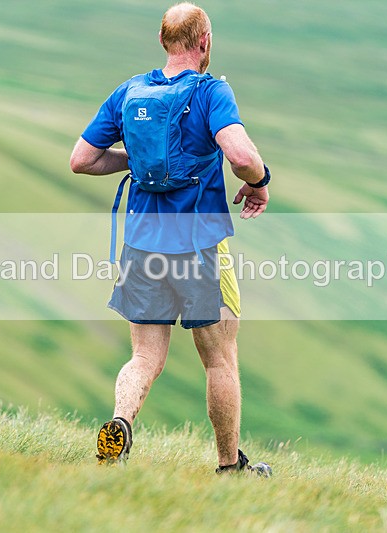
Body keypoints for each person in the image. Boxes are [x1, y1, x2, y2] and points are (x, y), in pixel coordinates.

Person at [69, 2, 271, 475]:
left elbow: (81, 159)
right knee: (219, 359)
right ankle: (228, 468)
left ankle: (120, 423)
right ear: (205, 43)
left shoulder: (129, 92)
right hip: (199, 245)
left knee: (144, 356)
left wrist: (134, 161)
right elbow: (240, 154)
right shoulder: (210, 92)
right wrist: (260, 181)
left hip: (141, 244)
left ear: (163, 42)